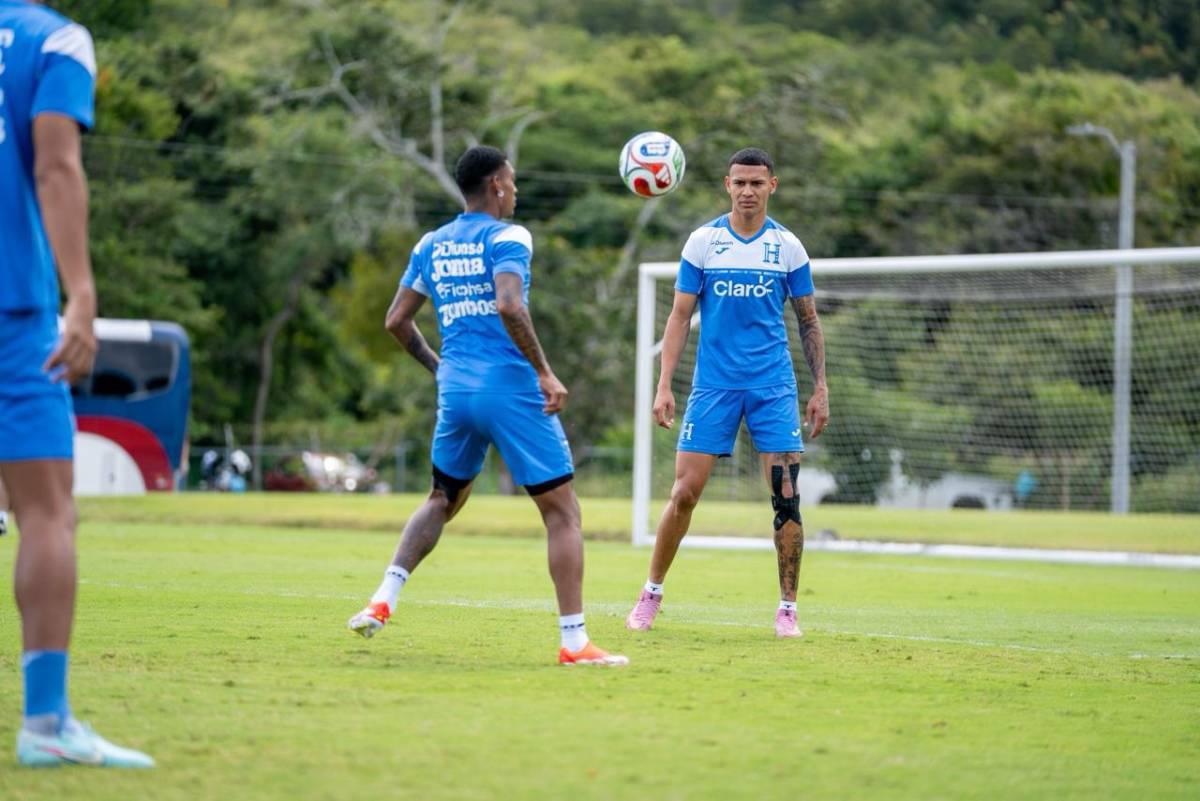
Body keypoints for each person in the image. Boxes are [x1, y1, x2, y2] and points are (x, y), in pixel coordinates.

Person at [347, 145, 627, 667]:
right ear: (497, 185)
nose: (516, 191)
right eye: (513, 182)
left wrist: (440, 370)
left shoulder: (430, 244)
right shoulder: (508, 236)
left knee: (441, 499)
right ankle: (574, 643)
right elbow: (508, 303)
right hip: (510, 389)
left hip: (455, 390)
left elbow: (396, 321)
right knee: (563, 514)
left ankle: (383, 598)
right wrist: (544, 371)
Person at [0, 0, 154, 767]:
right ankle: (46, 723)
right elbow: (55, 165)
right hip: (13, 312)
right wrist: (83, 292)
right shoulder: (54, 39)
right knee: (46, 512)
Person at [624, 147, 830, 638]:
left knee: (786, 497)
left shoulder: (788, 247)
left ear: (772, 187)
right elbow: (678, 316)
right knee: (683, 494)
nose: (747, 191)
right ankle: (650, 595)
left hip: (772, 387)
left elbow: (808, 320)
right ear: (727, 184)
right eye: (739, 183)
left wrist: (820, 387)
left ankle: (787, 610)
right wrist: (664, 384)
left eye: (757, 183)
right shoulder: (704, 242)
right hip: (712, 386)